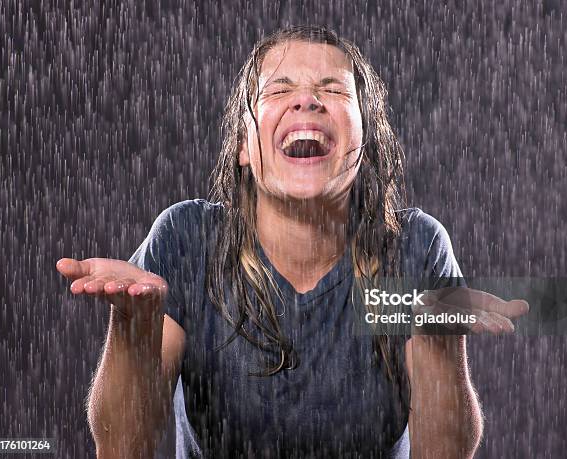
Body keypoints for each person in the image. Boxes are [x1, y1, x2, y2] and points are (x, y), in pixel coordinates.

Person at [56, 26, 528, 459]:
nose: (308, 101)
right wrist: (131, 330)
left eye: (333, 89)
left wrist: (442, 342)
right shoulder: (188, 240)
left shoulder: (412, 248)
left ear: (365, 142)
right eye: (280, 90)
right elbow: (121, 448)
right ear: (244, 146)